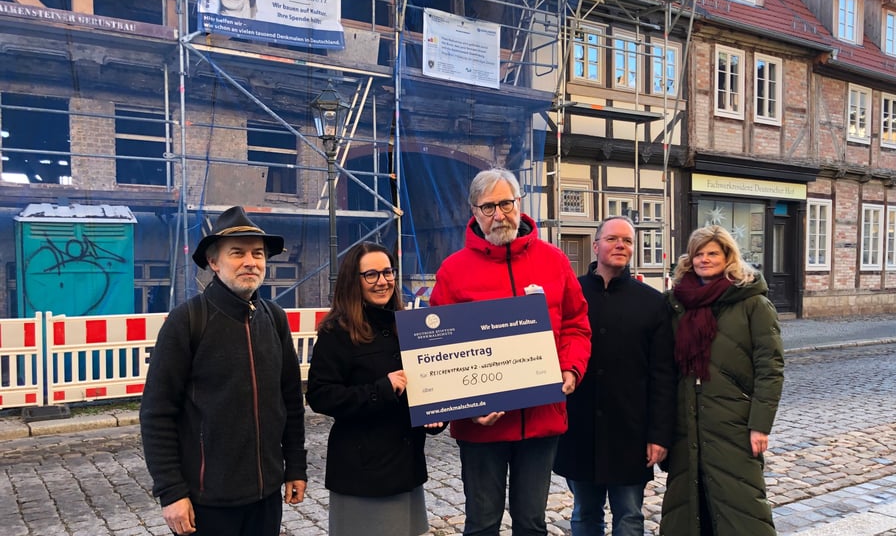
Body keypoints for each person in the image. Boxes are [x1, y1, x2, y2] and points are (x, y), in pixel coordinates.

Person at [430, 167, 591, 536]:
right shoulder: (453, 271)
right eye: (488, 207)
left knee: (532, 524)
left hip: (541, 418)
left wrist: (571, 368)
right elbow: (439, 349)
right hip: (481, 426)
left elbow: (576, 324)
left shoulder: (554, 260)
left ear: (519, 203)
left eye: (506, 204)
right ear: (474, 211)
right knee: (482, 524)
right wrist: (468, 405)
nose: (499, 215)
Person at [140, 206, 307, 536]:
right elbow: (156, 412)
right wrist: (171, 492)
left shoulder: (275, 318)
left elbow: (290, 402)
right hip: (207, 501)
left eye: (258, 253)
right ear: (214, 262)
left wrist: (296, 467)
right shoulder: (188, 320)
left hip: (266, 497)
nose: (250, 261)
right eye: (237, 253)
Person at [306, 242, 446, 536]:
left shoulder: (408, 326)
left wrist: (435, 414)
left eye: (387, 272)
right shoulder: (337, 332)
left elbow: (425, 385)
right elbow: (320, 395)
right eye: (371, 274)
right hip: (364, 473)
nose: (382, 281)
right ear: (353, 281)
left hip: (406, 467)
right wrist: (381, 389)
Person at [553, 216, 675, 536]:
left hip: (631, 430)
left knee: (630, 516)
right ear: (596, 246)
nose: (620, 245)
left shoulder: (653, 302)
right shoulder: (571, 294)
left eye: (627, 240)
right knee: (584, 514)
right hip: (579, 428)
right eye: (612, 239)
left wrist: (659, 435)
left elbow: (663, 375)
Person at [660, 225, 785, 536]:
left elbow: (770, 366)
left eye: (713, 253)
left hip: (734, 423)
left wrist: (760, 424)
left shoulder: (753, 303)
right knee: (690, 506)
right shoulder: (677, 303)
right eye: (698, 253)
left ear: (728, 256)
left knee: (741, 505)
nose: (705, 259)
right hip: (686, 424)